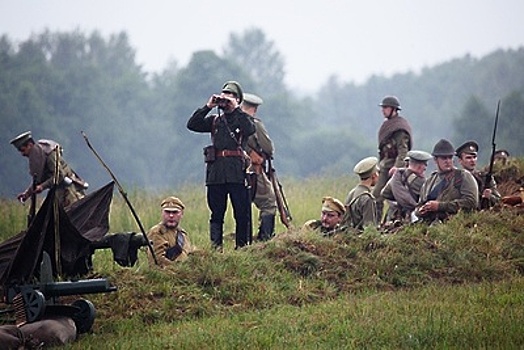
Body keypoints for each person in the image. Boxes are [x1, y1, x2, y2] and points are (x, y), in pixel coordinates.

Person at [187, 81, 256, 250]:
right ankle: (215, 248)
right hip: (216, 174)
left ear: (238, 99)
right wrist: (208, 106)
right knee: (216, 213)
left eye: (230, 96)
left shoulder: (242, 119)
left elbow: (250, 129)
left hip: (236, 173)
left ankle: (242, 248)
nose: (225, 99)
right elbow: (192, 124)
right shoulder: (215, 121)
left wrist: (236, 108)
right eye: (224, 95)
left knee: (241, 213)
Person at [10, 131, 86, 207]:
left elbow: (59, 176)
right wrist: (26, 194)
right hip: (57, 192)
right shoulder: (37, 157)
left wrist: (42, 186)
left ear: (29, 145)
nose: (22, 154)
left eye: (23, 150)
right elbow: (38, 179)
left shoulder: (49, 154)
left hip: (68, 192)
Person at [241, 92, 278, 241]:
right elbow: (268, 148)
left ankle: (244, 240)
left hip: (234, 170)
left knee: (244, 206)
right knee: (269, 203)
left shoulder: (230, 122)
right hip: (253, 170)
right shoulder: (254, 123)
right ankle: (265, 240)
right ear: (255, 109)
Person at [415, 139, 479, 223]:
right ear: (435, 160)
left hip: (456, 225)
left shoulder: (463, 176)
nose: (448, 161)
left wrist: (440, 206)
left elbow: (471, 202)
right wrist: (420, 210)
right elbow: (419, 205)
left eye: (450, 157)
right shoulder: (429, 181)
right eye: (444, 158)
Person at [372, 96, 413, 222]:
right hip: (385, 165)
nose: (383, 110)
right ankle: (376, 223)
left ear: (393, 109)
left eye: (386, 107)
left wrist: (398, 167)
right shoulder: (388, 125)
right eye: (383, 107)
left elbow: (403, 150)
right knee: (376, 197)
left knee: (393, 198)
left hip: (393, 167)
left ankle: (396, 221)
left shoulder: (400, 127)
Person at [381, 150, 432, 223]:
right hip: (410, 219)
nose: (425, 168)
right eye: (425, 164)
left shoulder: (398, 175)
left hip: (393, 216)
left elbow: (384, 193)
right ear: (419, 166)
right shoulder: (419, 181)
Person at [147, 196, 194, 267]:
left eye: (175, 212)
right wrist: (180, 270)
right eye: (167, 212)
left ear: (182, 214)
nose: (171, 215)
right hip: (167, 275)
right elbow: (158, 261)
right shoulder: (157, 232)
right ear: (162, 213)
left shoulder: (182, 234)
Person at [455, 140, 500, 208]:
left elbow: (499, 200)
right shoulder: (456, 178)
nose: (472, 160)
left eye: (474, 157)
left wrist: (490, 196)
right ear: (460, 160)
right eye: (468, 158)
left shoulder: (485, 177)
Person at [342, 156, 379, 230]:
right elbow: (370, 229)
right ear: (374, 176)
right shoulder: (367, 199)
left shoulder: (352, 193)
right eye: (378, 173)